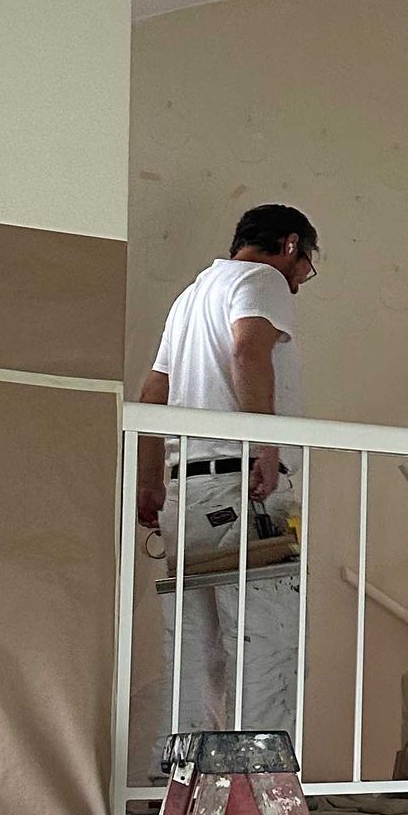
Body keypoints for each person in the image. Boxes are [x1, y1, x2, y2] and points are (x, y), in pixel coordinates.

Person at [135, 205, 317, 743]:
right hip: (244, 486)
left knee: (193, 640)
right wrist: (265, 443)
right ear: (289, 246)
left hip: (186, 492)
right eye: (306, 265)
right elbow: (247, 346)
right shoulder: (262, 278)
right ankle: (259, 787)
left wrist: (151, 482)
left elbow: (152, 395)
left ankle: (184, 776)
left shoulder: (191, 297)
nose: (302, 281)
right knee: (263, 632)